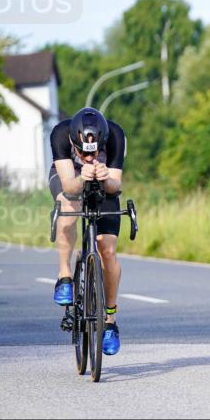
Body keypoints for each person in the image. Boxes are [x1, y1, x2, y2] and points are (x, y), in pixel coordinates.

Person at [48, 107, 126, 355]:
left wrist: (104, 178)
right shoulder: (60, 134)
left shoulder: (115, 135)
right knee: (68, 205)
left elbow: (116, 185)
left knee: (107, 250)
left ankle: (111, 322)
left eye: (94, 153)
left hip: (104, 186)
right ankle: (65, 276)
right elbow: (70, 185)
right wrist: (83, 177)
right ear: (73, 141)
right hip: (70, 179)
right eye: (82, 152)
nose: (89, 157)